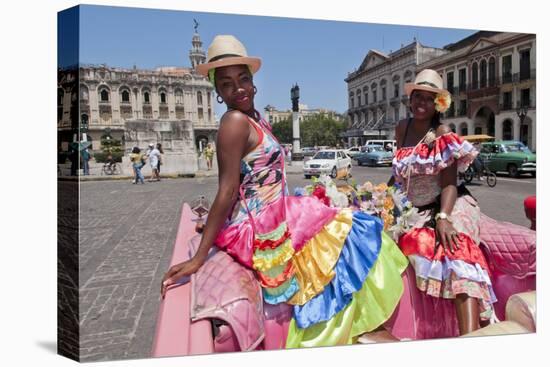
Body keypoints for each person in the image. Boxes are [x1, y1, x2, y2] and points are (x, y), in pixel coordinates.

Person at [161, 35, 408, 348]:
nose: (238, 88)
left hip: (277, 210)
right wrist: (199, 257)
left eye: (243, 79)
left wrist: (216, 224)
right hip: (261, 224)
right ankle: (350, 329)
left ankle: (357, 326)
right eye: (226, 84)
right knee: (349, 229)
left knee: (346, 227)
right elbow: (227, 189)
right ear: (218, 92)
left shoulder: (255, 118)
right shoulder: (234, 121)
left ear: (253, 83)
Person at [389, 69, 496, 335]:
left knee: (457, 249)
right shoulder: (402, 129)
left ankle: (471, 335)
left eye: (428, 98)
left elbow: (449, 182)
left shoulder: (442, 132)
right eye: (417, 97)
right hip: (413, 208)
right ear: (410, 100)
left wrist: (444, 219)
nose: (421, 103)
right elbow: (399, 176)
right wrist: (383, 199)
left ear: (437, 103)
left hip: (450, 202)